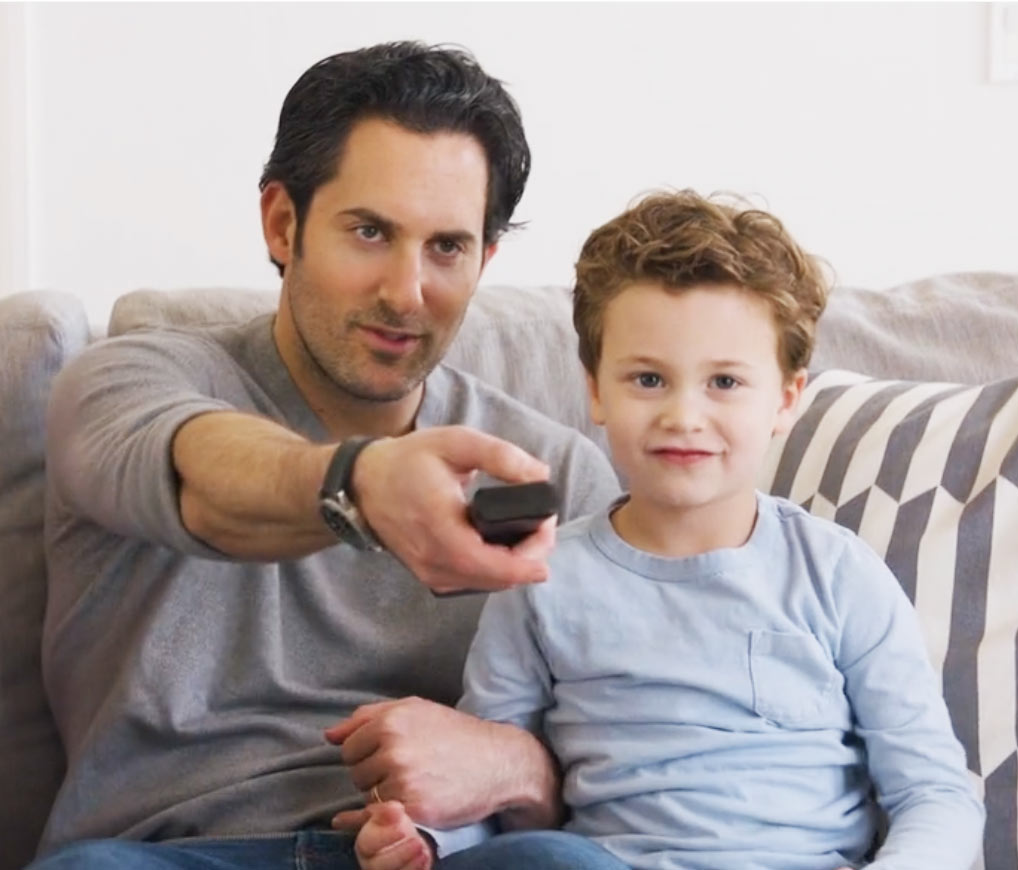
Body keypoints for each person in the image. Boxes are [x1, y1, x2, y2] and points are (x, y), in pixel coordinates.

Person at [32, 42, 622, 870]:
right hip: (169, 852)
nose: (406, 292)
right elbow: (204, 476)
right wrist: (362, 483)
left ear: (485, 259)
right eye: (371, 231)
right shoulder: (127, 381)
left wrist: (514, 765)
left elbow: (633, 747)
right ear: (283, 223)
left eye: (446, 247)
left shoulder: (555, 472)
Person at [355, 190, 985, 870]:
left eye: (724, 383)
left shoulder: (838, 574)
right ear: (596, 391)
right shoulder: (540, 576)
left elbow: (935, 795)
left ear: (786, 399)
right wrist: (425, 839)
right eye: (649, 379)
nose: (684, 415)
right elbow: (490, 794)